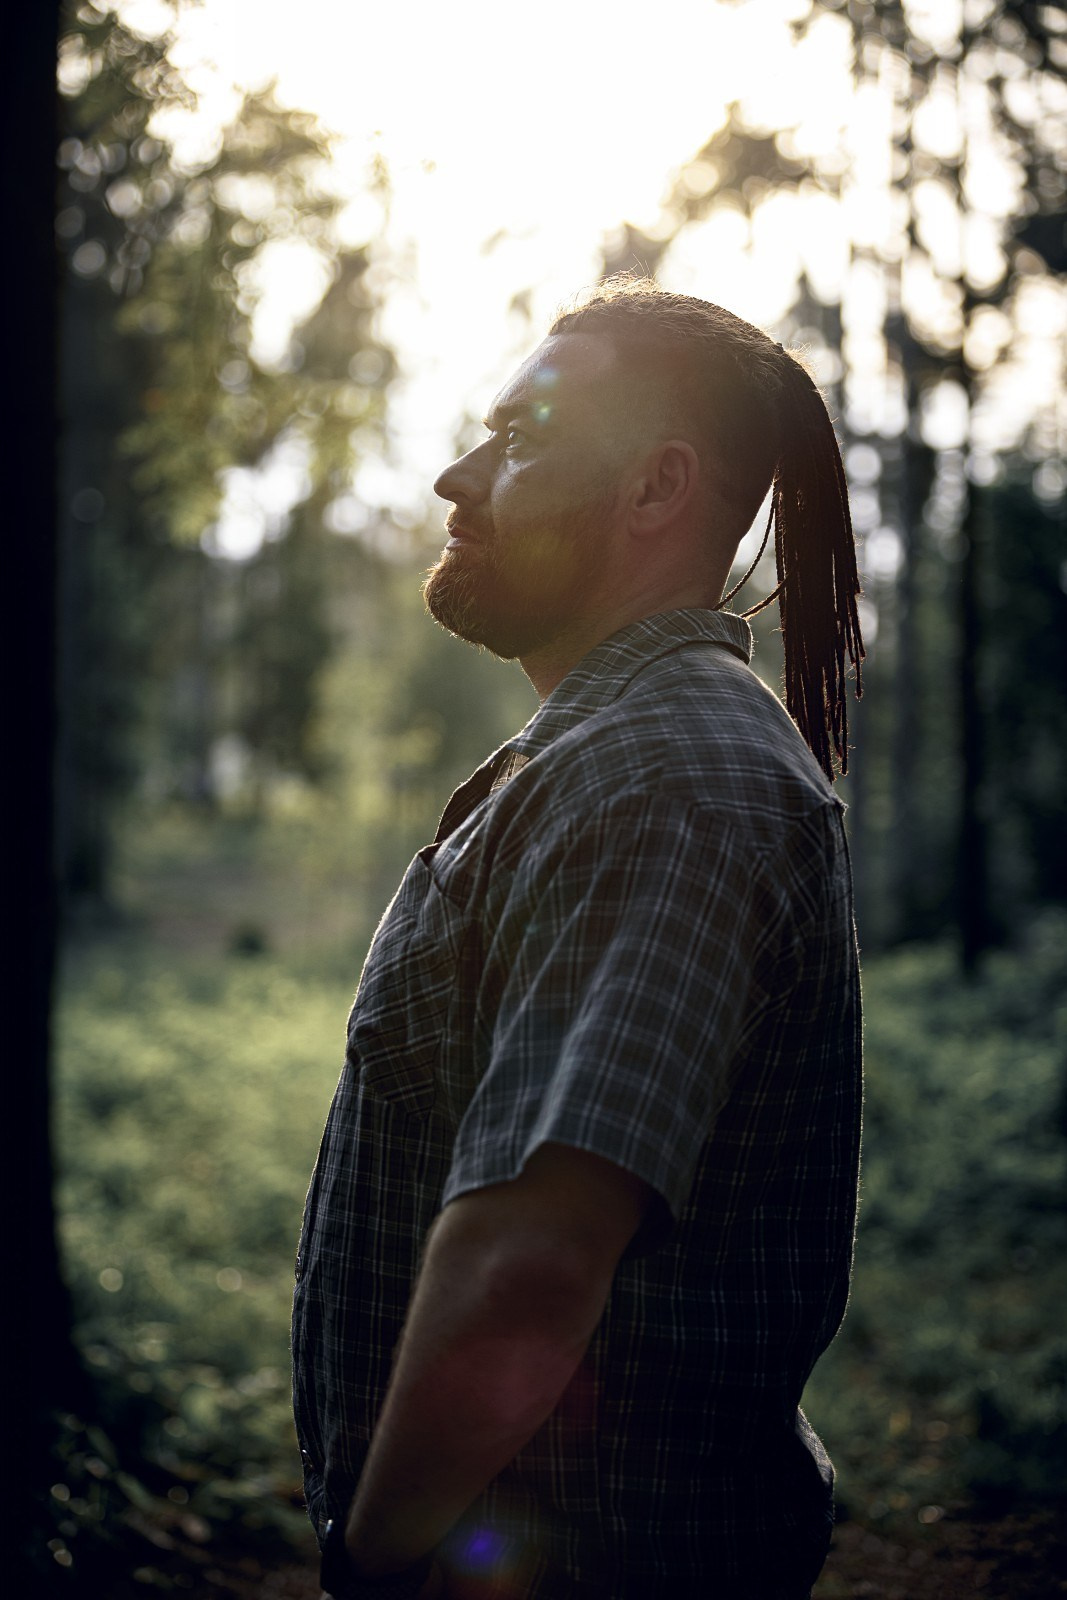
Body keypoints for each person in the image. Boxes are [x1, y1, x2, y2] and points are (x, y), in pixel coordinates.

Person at [292, 278, 865, 1600]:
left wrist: (375, 1562)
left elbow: (532, 1264)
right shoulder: (617, 759)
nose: (456, 474)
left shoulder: (667, 780)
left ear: (656, 490)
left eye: (522, 438)